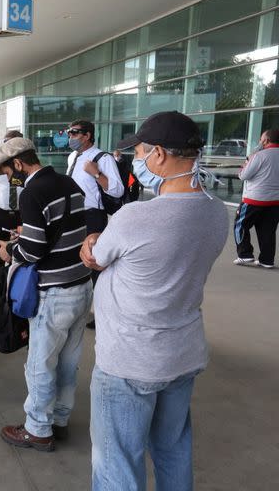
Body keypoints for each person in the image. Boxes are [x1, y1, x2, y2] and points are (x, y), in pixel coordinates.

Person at [80, 111, 228, 491]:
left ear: (159, 154)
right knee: (173, 450)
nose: (137, 160)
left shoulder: (135, 217)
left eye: (141, 152)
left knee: (117, 463)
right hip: (182, 352)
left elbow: (98, 256)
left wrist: (90, 242)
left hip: (130, 359)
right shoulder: (215, 212)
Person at [0, 137, 92, 452]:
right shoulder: (69, 182)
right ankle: (59, 420)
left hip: (54, 293)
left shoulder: (32, 193)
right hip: (82, 285)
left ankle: (37, 429)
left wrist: (10, 250)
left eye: (8, 172)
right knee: (67, 361)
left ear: (18, 163)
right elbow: (64, 228)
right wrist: (30, 234)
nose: (10, 178)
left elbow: (33, 251)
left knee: (40, 364)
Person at [66, 120, 124, 329]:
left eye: (74, 133)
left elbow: (117, 191)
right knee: (76, 263)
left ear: (88, 135)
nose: (70, 136)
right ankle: (78, 310)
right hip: (74, 216)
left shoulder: (103, 158)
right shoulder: (73, 156)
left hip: (93, 217)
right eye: (69, 132)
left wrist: (96, 173)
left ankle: (103, 315)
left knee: (95, 266)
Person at [233, 129, 279, 269]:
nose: (260, 142)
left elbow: (243, 175)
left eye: (261, 139)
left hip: (254, 199)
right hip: (275, 201)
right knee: (268, 230)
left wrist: (247, 162)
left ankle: (245, 254)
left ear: (266, 141)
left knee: (240, 225)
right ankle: (267, 260)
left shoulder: (259, 155)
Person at [0, 130, 24, 270]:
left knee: (20, 253)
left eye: (10, 142)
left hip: (22, 215)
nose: (6, 145)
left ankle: (14, 283)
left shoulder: (26, 166)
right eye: (5, 142)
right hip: (1, 214)